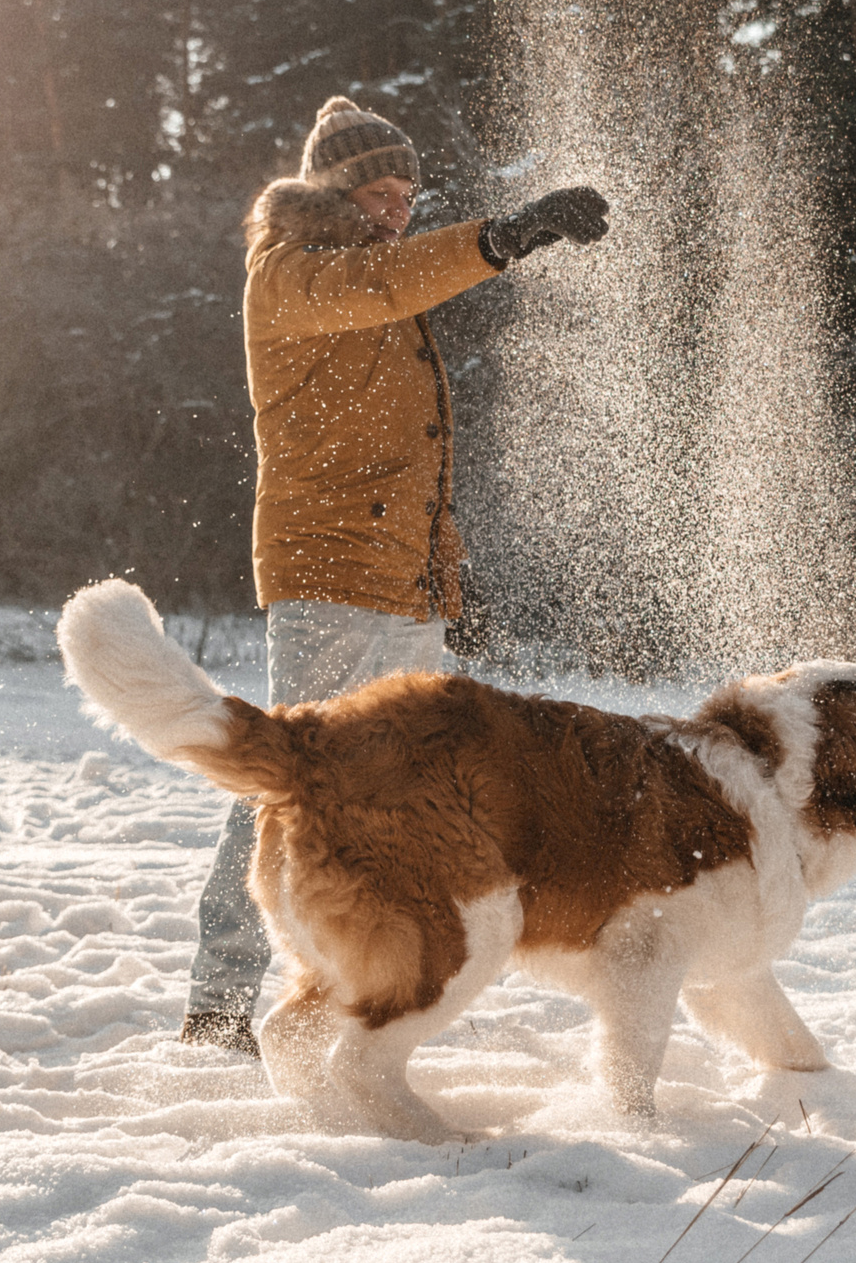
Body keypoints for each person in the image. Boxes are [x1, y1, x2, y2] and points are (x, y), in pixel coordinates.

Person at [178, 96, 611, 1054]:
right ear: (333, 190)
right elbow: (386, 280)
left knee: (393, 802)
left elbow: (412, 456)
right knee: (288, 786)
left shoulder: (376, 280)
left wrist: (454, 580)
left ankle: (338, 997)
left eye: (410, 192)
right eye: (381, 189)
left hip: (400, 579)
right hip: (329, 571)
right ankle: (215, 1012)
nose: (400, 207)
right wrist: (505, 236)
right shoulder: (290, 273)